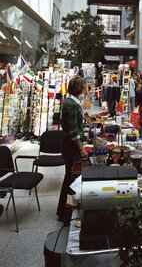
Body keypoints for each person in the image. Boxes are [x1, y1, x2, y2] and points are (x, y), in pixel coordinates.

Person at [57, 76, 87, 224]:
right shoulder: (73, 105)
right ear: (80, 89)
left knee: (68, 176)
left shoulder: (69, 101)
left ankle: (62, 210)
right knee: (73, 179)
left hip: (68, 145)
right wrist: (81, 149)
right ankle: (67, 215)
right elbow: (74, 131)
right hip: (72, 147)